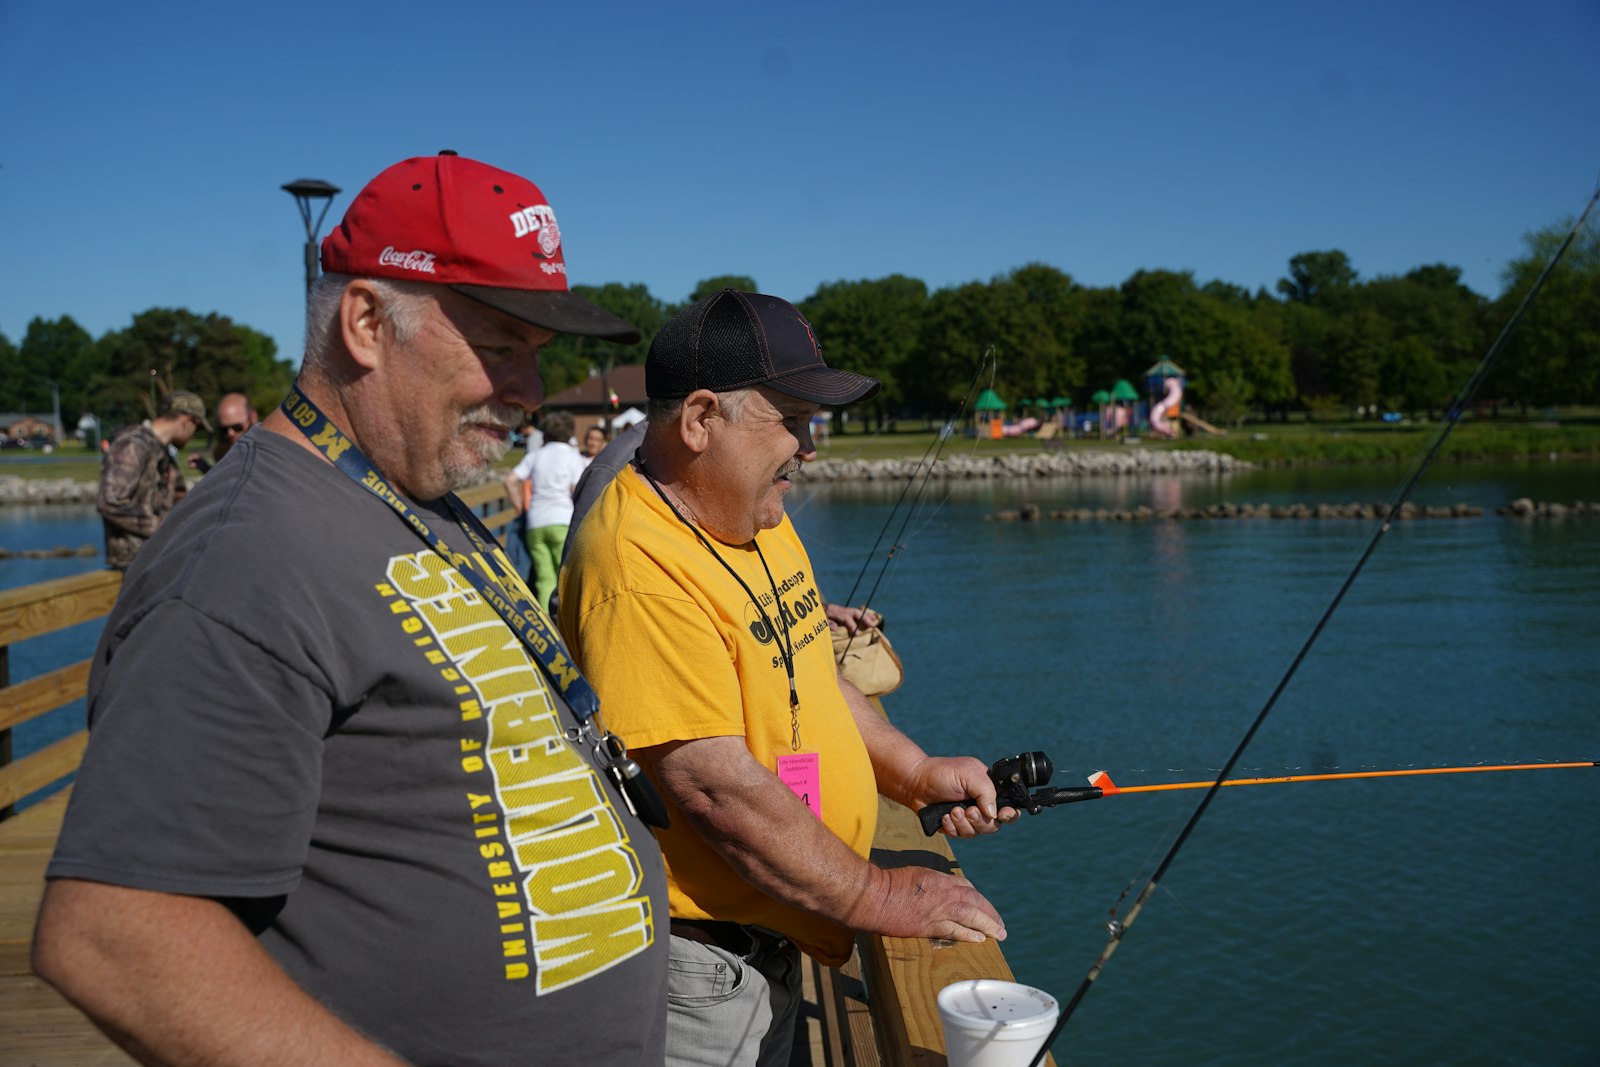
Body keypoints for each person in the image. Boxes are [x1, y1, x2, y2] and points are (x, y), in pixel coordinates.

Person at [35, 152, 670, 1066]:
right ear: (366, 322)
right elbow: (113, 931)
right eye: (499, 346)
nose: (532, 393)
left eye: (538, 356)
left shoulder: (417, 494)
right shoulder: (245, 555)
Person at [559, 289, 1013, 1067]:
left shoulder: (754, 516)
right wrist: (884, 896)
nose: (812, 447)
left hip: (771, 942)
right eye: (793, 420)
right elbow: (714, 788)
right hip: (697, 978)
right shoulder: (634, 561)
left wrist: (914, 772)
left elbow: (809, 668)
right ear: (701, 420)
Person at [97, 389, 209, 570]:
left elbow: (181, 502)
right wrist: (162, 529)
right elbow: (110, 502)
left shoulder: (162, 452)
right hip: (133, 566)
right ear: (187, 420)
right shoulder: (133, 445)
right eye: (197, 426)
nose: (194, 433)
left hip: (157, 561)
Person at [501, 408, 586, 609]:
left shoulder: (536, 456)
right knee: (565, 575)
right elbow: (578, 489)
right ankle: (565, 621)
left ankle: (547, 623)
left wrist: (521, 508)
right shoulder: (573, 457)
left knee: (544, 578)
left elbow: (509, 481)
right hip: (563, 519)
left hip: (536, 522)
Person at [189, 391, 260, 473]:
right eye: (224, 429)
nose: (230, 433)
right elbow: (225, 478)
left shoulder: (268, 446)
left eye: (237, 427)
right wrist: (204, 467)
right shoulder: (224, 447)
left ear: (253, 417)